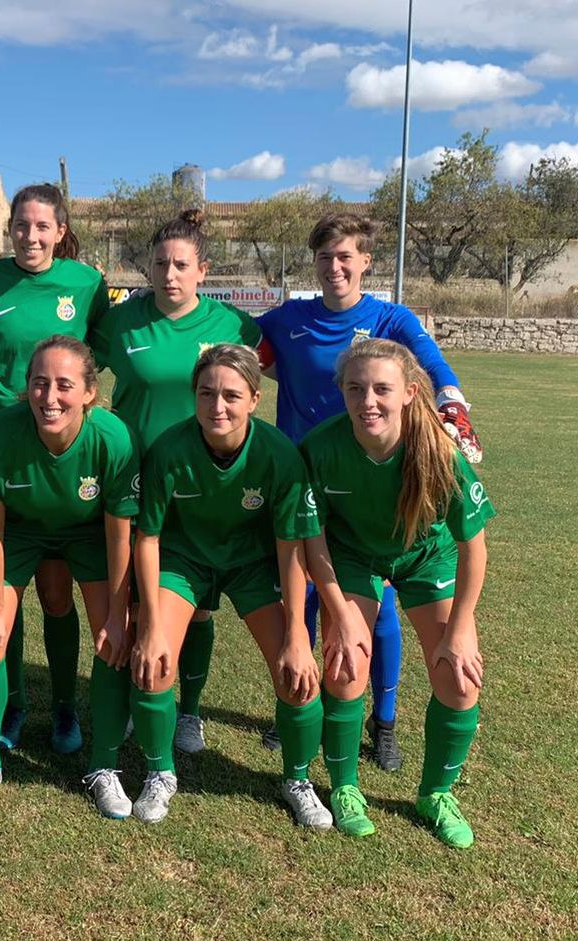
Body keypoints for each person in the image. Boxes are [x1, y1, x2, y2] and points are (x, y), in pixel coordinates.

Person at [256, 212, 484, 769]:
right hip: (309, 479)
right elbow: (241, 351)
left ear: (365, 263)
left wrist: (452, 405)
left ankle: (383, 724)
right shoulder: (289, 320)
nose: (334, 267)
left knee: (374, 610)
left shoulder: (390, 317)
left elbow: (432, 368)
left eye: (345, 257)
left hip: (374, 484)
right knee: (305, 597)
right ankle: (300, 697)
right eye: (324, 257)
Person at [300, 339, 494, 848]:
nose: (369, 401)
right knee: (345, 668)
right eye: (356, 388)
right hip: (354, 558)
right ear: (341, 391)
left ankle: (436, 794)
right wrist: (338, 612)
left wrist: (460, 628)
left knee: (459, 679)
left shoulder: (438, 449)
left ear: (408, 393)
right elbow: (313, 538)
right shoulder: (321, 448)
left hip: (427, 558)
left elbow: (474, 547)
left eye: (382, 389)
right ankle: (344, 788)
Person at [91, 209, 262, 755]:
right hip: (130, 478)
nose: (169, 274)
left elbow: (292, 367)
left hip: (200, 481)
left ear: (202, 270)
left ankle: (188, 710)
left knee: (197, 603)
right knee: (130, 597)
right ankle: (125, 699)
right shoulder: (122, 322)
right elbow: (76, 370)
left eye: (181, 265)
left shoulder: (234, 326)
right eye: (160, 263)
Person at [130, 344, 324, 825]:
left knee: (298, 675)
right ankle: (160, 773)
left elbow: (290, 548)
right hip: (184, 561)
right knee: (154, 663)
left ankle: (297, 778)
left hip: (251, 566)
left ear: (255, 399)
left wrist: (298, 635)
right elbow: (148, 538)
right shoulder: (169, 450)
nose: (218, 406)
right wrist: (151, 624)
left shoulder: (279, 455)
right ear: (193, 395)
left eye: (231, 395)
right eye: (206, 393)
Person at [0, 183, 110, 755]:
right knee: (2, 588)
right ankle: (15, 703)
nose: (31, 235)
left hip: (65, 444)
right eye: (22, 225)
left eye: (43, 226)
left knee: (57, 590)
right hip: (0, 444)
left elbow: (102, 360)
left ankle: (65, 708)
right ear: (9, 227)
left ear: (61, 230)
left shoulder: (88, 285)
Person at [0, 336, 139, 814]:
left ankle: (97, 755)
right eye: (39, 383)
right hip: (17, 531)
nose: (50, 397)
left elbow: (118, 534)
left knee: (111, 638)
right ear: (26, 388)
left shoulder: (111, 438)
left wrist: (120, 614)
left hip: (86, 534)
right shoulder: (0, 435)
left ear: (88, 392)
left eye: (65, 385)